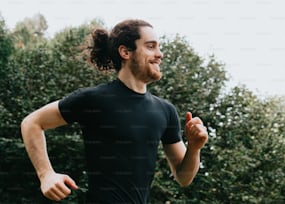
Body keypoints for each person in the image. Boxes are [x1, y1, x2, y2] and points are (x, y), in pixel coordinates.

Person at [20, 19, 208, 203]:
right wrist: (46, 175)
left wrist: (194, 148)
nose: (160, 54)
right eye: (151, 46)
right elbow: (32, 123)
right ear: (125, 52)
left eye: (159, 47)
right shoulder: (94, 99)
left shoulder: (166, 111)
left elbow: (183, 177)